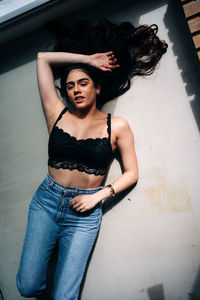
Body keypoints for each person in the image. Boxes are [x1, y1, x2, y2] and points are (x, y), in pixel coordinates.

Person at [16, 19, 167, 300]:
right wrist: (87, 60)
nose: (75, 89)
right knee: (26, 286)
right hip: (46, 203)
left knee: (65, 297)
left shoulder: (117, 126)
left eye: (83, 82)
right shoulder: (56, 113)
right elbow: (43, 58)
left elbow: (132, 173)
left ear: (97, 88)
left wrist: (97, 197)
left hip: (83, 216)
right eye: (70, 85)